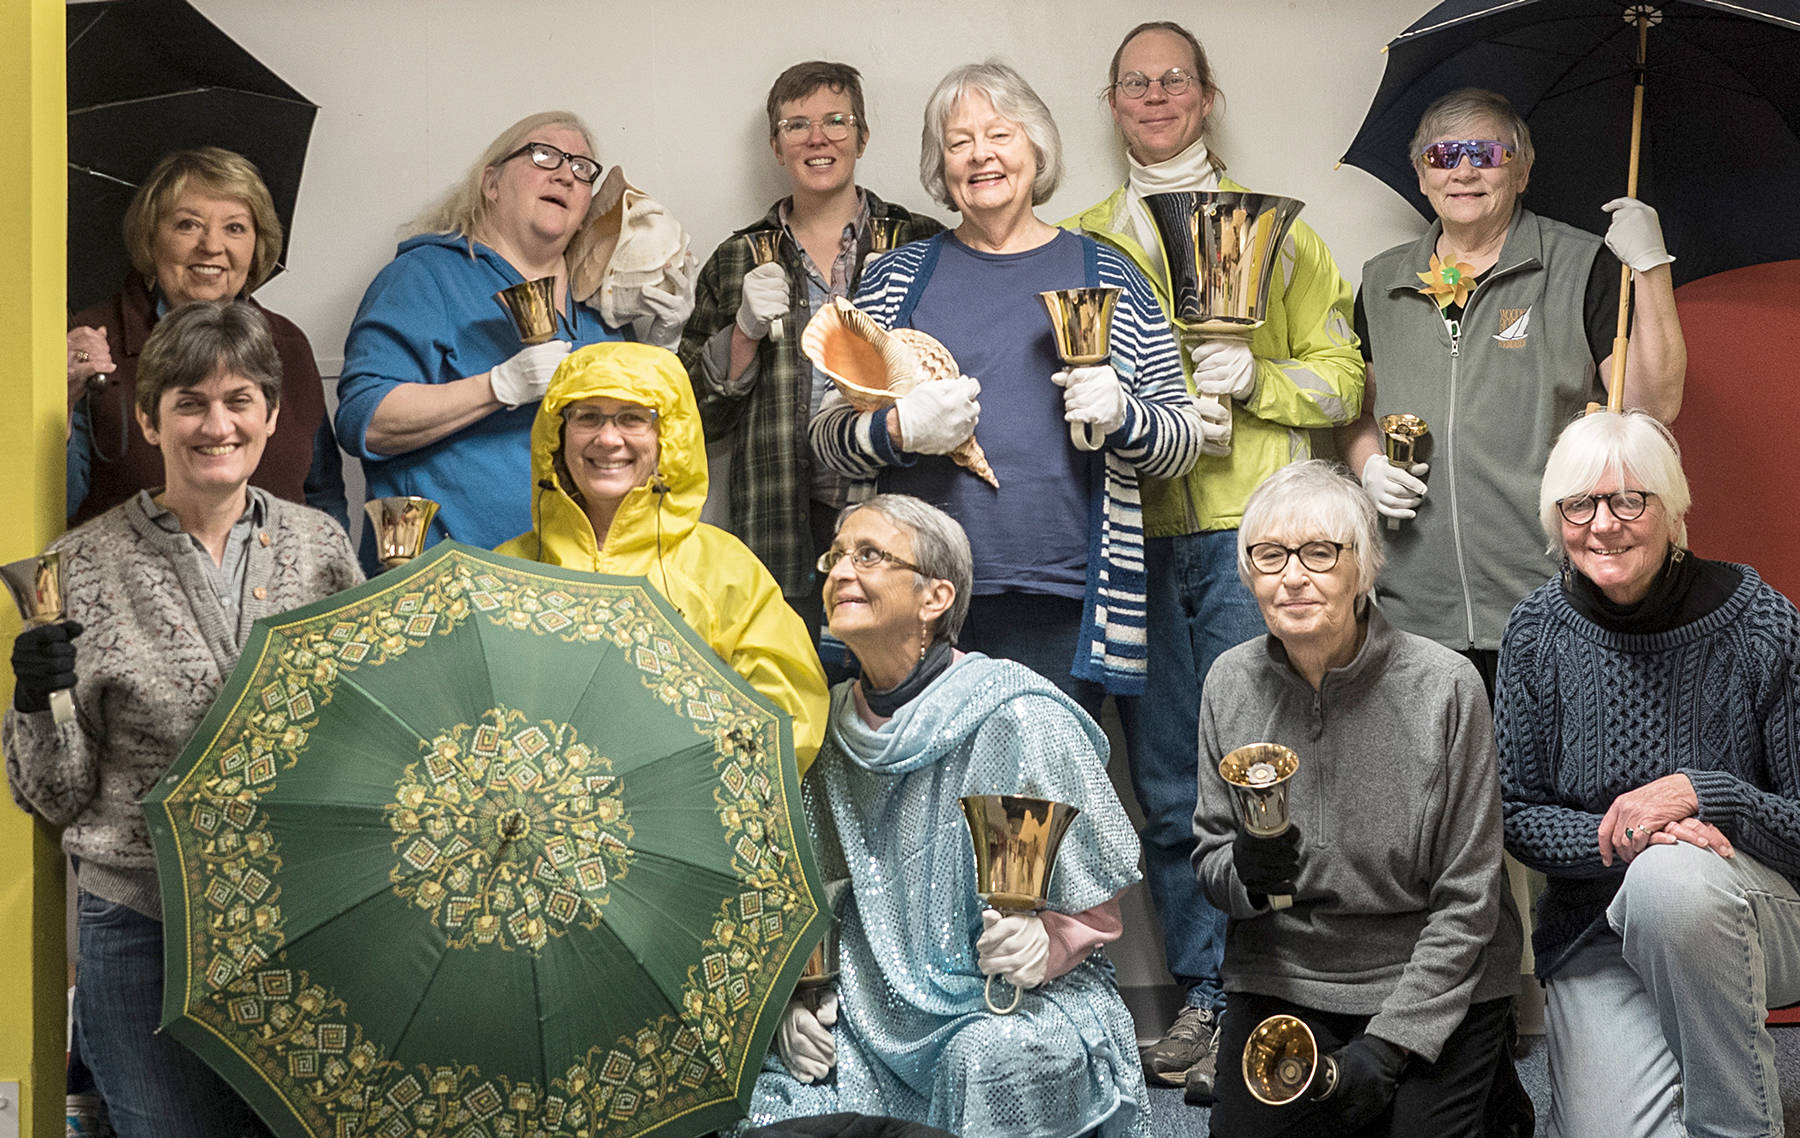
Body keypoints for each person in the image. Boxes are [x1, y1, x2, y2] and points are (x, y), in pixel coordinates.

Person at [1062, 22, 1366, 1098]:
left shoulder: (1286, 233)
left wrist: (1262, 377)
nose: (1156, 96)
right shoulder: (1082, 242)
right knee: (1158, 773)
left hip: (1257, 540)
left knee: (1268, 764)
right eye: (1136, 82)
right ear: (1112, 101)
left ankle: (1289, 994)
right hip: (1135, 533)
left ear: (1208, 95)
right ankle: (1204, 992)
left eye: (1174, 80)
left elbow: (1346, 381)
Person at [5, 302, 363, 1138]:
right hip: (140, 928)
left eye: (240, 400)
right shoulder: (79, 568)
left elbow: (365, 739)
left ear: (272, 416)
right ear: (147, 416)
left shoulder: (322, 551)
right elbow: (57, 796)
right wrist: (34, 699)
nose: (217, 424)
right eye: (190, 403)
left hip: (297, 923)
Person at [746, 494, 1149, 1137]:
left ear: (935, 598)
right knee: (780, 1102)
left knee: (991, 1062)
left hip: (1006, 1007)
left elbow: (1095, 908)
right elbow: (815, 895)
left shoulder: (1014, 715)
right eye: (837, 556)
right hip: (869, 1014)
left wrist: (1047, 944)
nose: (841, 573)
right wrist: (799, 998)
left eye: (870, 555)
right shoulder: (822, 725)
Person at [809, 61, 1201, 717]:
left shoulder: (1108, 271)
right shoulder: (895, 281)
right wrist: (898, 429)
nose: (980, 155)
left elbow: (1184, 441)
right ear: (941, 165)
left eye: (1000, 134)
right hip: (912, 603)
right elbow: (825, 438)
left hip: (1064, 600)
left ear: (1037, 148)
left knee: (1039, 809)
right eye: (958, 142)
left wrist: (1125, 417)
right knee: (918, 804)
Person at [1192, 460, 1524, 1137]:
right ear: (1249, 572)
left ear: (1364, 568)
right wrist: (1247, 878)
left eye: (1319, 553)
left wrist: (1391, 1043)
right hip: (1287, 975)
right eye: (1270, 555)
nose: (1292, 576)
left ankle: (1490, 1092)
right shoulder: (1230, 682)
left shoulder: (1445, 687)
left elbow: (1471, 898)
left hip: (1430, 973)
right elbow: (1211, 865)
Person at [1497, 410, 1800, 1138]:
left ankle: (1737, 1126)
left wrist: (1708, 794)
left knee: (1672, 885)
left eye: (1630, 500)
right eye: (1580, 504)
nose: (1604, 524)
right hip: (1596, 932)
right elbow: (1518, 812)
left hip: (1756, 911)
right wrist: (1624, 838)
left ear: (1672, 510)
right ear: (1557, 518)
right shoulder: (1535, 634)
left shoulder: (1762, 624)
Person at [1340, 87, 1686, 687]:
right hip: (1408, 610)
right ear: (1422, 175)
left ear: (1521, 170)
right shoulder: (1381, 281)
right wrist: (1368, 464)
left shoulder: (1581, 265)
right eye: (1444, 155)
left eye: (1486, 152)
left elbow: (1652, 408)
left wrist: (1651, 269)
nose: (1465, 170)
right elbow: (1354, 409)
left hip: (1548, 599)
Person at [678, 62, 943, 661]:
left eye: (834, 121)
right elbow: (691, 421)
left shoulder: (923, 244)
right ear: (776, 145)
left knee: (897, 706)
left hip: (903, 526)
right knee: (797, 713)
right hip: (780, 532)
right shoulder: (734, 259)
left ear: (863, 137)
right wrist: (742, 334)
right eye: (796, 126)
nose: (817, 138)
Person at [336, 111, 652, 570]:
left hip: (581, 582)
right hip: (450, 581)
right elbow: (365, 420)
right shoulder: (426, 276)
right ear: (491, 183)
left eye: (583, 169)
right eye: (543, 156)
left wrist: (664, 341)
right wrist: (496, 387)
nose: (565, 174)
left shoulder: (600, 302)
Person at [495, 341, 828, 767]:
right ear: (557, 434)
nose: (608, 438)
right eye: (587, 417)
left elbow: (788, 720)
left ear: (669, 434)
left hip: (681, 813)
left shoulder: (725, 570)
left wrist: (696, 782)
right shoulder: (509, 567)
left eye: (633, 418)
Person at [66, 146, 346, 530]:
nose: (212, 246)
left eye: (235, 227)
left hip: (282, 585)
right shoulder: (93, 343)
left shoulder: (288, 344)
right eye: (188, 225)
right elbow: (60, 504)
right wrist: (65, 400)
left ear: (257, 242)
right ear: (150, 238)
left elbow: (322, 496)